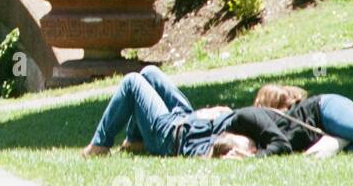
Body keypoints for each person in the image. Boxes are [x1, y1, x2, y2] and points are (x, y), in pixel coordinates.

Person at [83, 65, 257, 159]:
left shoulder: (257, 142)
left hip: (172, 134)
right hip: (188, 120)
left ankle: (100, 144)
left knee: (132, 81)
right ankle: (135, 141)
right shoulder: (257, 124)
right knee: (149, 72)